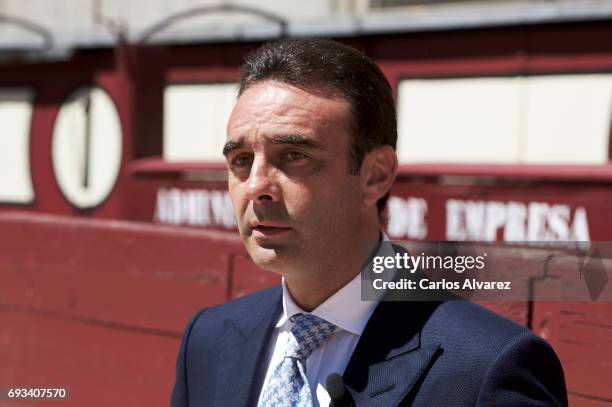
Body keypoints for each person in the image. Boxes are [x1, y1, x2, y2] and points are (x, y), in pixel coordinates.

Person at [171, 38, 567, 407]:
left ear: (376, 175)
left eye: (294, 156)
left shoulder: (489, 367)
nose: (256, 186)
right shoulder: (207, 338)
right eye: (241, 160)